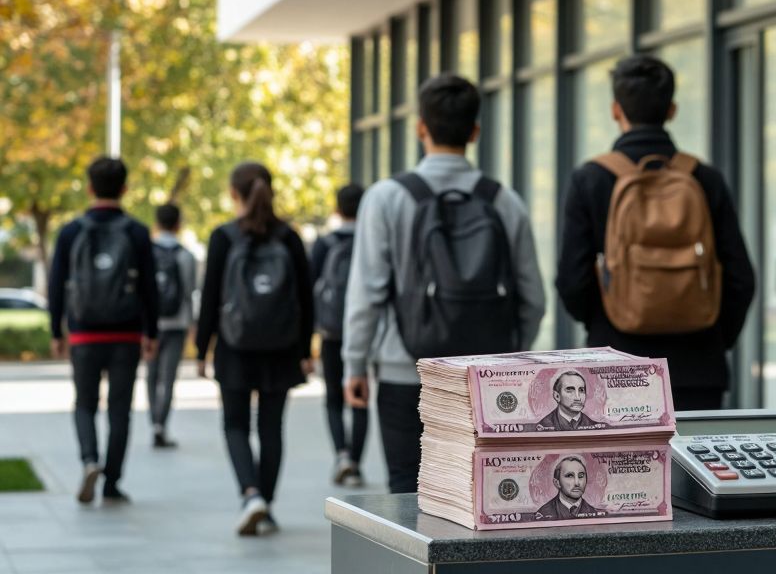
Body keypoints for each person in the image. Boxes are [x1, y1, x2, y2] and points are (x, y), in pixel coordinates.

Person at [343, 73, 546, 495]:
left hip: (406, 370)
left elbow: (367, 292)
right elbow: (533, 298)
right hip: (485, 377)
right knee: (480, 490)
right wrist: (509, 353)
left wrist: (355, 364)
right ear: (474, 131)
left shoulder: (385, 198)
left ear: (421, 128)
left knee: (407, 488)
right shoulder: (504, 201)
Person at [556, 55, 755, 411]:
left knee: (617, 467)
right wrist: (712, 335)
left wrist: (605, 324)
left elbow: (572, 280)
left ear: (616, 110)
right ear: (672, 110)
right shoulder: (704, 179)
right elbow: (741, 277)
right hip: (698, 368)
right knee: (696, 468)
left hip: (613, 366)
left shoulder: (590, 179)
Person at [195, 162, 314, 536]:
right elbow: (306, 300)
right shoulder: (289, 237)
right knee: (271, 428)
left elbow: (211, 298)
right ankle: (267, 503)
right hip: (282, 348)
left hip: (234, 346)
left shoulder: (223, 236)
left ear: (234, 194)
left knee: (234, 424)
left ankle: (250, 495)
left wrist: (201, 349)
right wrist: (305, 349)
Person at [47, 157, 158, 504]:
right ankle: (111, 483)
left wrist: (56, 330)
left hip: (83, 333)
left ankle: (89, 460)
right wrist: (150, 333)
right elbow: (149, 289)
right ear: (125, 189)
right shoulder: (137, 232)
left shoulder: (71, 231)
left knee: (84, 404)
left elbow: (55, 285)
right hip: (125, 334)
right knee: (120, 410)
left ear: (90, 187)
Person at [309, 183, 368, 487]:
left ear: (337, 208)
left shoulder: (324, 244)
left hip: (331, 332)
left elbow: (309, 293)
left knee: (333, 397)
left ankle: (342, 454)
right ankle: (356, 463)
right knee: (360, 396)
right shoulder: (370, 241)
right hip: (365, 333)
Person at [148, 203, 197, 449]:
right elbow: (189, 292)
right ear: (179, 223)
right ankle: (161, 424)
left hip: (151, 324)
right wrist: (193, 325)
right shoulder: (185, 255)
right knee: (168, 378)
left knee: (151, 376)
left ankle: (153, 421)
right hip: (177, 323)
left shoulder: (147, 252)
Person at [533, 457, 603, 520]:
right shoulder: (543, 513)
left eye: (581, 476)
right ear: (557, 483)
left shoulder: (594, 513)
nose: (577, 483)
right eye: (570, 476)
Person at [535, 370, 603, 432]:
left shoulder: (596, 427)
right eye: (570, 390)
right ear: (557, 396)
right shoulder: (542, 426)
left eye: (581, 390)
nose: (578, 397)